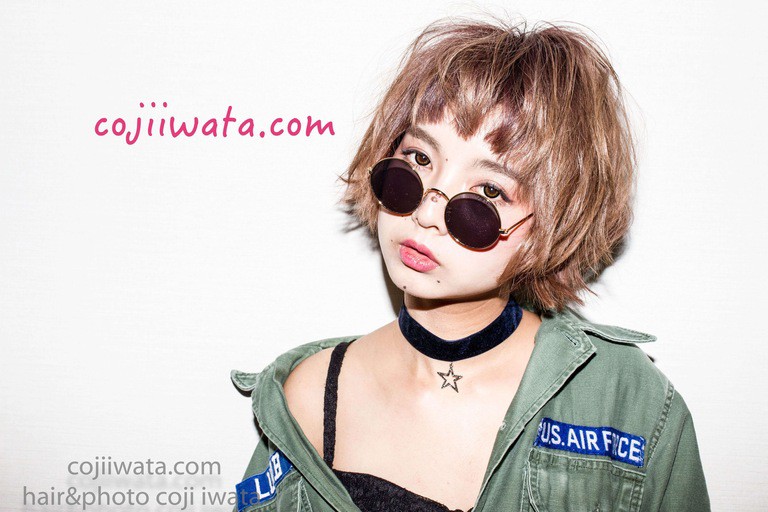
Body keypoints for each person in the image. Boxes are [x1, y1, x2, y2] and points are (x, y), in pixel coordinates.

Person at [231, 16, 710, 512]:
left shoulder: (625, 403)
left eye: (489, 191)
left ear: (555, 222)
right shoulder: (309, 394)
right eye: (419, 159)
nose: (426, 214)